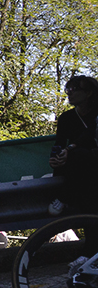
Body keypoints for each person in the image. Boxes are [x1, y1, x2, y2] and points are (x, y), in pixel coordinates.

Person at [49, 74, 98, 216]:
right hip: (78, 165)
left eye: (74, 89)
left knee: (80, 155)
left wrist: (70, 148)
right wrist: (56, 159)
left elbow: (90, 133)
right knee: (74, 159)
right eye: (67, 89)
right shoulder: (66, 118)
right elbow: (60, 143)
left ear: (88, 93)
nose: (69, 93)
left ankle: (64, 197)